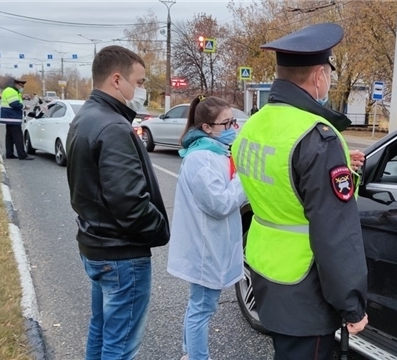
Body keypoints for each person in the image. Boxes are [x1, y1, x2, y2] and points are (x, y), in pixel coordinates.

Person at [231, 23, 368, 360]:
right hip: (306, 286)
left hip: (265, 269)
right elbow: (335, 234)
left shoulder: (255, 124)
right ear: (319, 77)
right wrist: (352, 305)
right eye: (330, 74)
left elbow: (283, 186)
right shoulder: (318, 137)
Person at [66, 45, 170, 360]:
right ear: (116, 80)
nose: (140, 90)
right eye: (138, 83)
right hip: (121, 255)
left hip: (98, 246)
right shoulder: (112, 126)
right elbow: (129, 201)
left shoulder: (87, 115)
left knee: (101, 334)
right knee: (120, 346)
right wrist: (159, 230)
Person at [167, 95, 247, 360]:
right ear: (207, 128)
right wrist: (244, 181)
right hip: (205, 249)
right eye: (226, 124)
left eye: (233, 121)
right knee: (202, 308)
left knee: (200, 305)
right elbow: (219, 203)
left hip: (212, 244)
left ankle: (190, 353)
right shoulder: (200, 159)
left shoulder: (216, 153)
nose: (233, 128)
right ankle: (197, 357)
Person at [0, 78, 33, 160]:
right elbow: (14, 104)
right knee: (18, 136)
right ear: (17, 84)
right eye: (21, 86)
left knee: (10, 136)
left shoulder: (11, 90)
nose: (22, 88)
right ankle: (22, 155)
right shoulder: (11, 91)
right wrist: (25, 107)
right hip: (12, 117)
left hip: (9, 117)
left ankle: (9, 153)